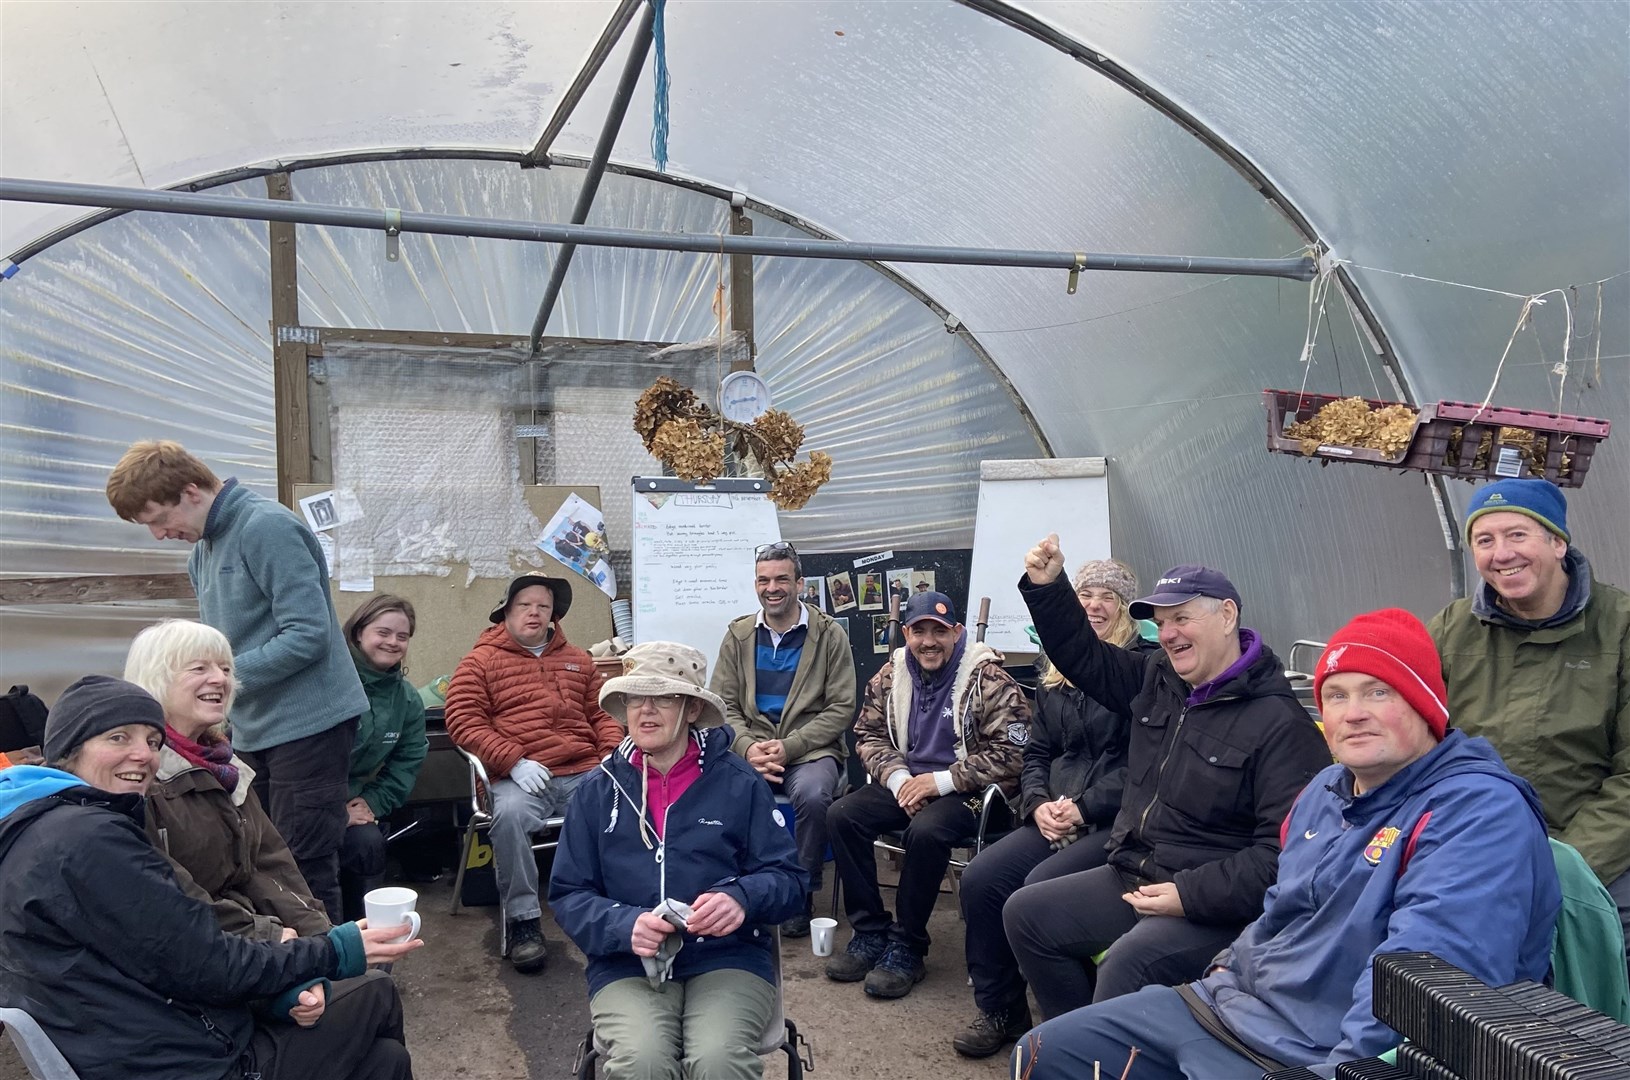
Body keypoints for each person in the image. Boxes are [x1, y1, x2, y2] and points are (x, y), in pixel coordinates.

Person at [1012, 609, 1562, 1079]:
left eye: (1379, 691)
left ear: (1426, 705)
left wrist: (1344, 1070)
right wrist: (1229, 966)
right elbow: (1283, 907)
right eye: (1337, 694)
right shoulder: (1327, 789)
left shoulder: (1476, 811)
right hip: (1240, 1008)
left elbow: (1424, 988)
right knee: (1045, 1053)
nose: (1354, 712)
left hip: (1321, 1051)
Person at [0, 675, 421, 1080]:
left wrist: (281, 989)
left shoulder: (34, 826)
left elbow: (169, 958)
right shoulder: (88, 838)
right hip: (187, 1063)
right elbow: (210, 964)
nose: (143, 755)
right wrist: (335, 949)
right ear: (69, 751)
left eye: (151, 741)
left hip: (124, 1042)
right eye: (118, 737)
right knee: (374, 994)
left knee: (383, 1062)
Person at [1008, 539, 1330, 1017]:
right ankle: (1073, 1046)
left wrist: (1189, 894)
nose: (1169, 634)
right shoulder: (1159, 680)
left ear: (1226, 615)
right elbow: (1083, 656)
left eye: (1181, 618)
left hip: (1212, 903)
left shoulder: (1281, 725)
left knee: (1126, 965)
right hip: (1138, 872)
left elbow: (1285, 859)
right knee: (1026, 914)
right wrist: (1048, 587)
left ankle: (1103, 1051)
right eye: (1160, 624)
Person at [106, 441, 367, 920]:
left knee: (304, 861)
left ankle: (343, 977)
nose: (160, 535)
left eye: (158, 520)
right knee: (257, 856)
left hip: (310, 725)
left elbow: (308, 636)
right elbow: (217, 648)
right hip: (253, 726)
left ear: (191, 491)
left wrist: (217, 683)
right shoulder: (202, 553)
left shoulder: (267, 527)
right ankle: (285, 969)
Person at [549, 642, 806, 1080]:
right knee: (641, 1064)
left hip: (729, 958)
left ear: (690, 709)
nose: (646, 711)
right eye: (634, 697)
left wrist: (742, 898)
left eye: (664, 697)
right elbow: (569, 893)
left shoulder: (740, 783)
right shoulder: (596, 791)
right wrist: (623, 925)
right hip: (626, 962)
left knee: (718, 1061)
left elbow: (791, 881)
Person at [953, 559, 1157, 1058]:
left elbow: (1143, 766)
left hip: (1112, 822)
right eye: (1086, 594)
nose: (1094, 605)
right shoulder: (1053, 672)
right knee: (980, 880)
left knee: (1037, 890)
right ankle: (1001, 1009)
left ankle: (1075, 1030)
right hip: (1054, 814)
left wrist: (1084, 807)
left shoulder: (1142, 670)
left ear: (1127, 607)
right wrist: (1038, 803)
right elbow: (1037, 753)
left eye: (1107, 596)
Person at [1428, 477, 1630, 976]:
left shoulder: (1620, 627)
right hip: (1472, 841)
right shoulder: (1452, 630)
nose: (1501, 554)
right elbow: (1411, 743)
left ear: (1557, 542)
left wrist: (1560, 862)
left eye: (1517, 535)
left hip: (1590, 849)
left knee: (1587, 962)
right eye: (1485, 540)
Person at [825, 590, 1031, 1000]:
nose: (929, 641)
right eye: (919, 631)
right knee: (842, 814)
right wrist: (900, 780)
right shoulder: (890, 675)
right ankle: (870, 933)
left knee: (927, 831)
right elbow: (867, 735)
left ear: (957, 633)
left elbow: (1014, 755)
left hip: (974, 795)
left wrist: (940, 783)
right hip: (909, 784)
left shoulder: (988, 679)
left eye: (939, 631)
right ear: (906, 633)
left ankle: (908, 946)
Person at [445, 574, 623, 973]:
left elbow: (603, 714)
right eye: (524, 604)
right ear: (505, 611)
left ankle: (621, 908)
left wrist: (611, 755)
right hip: (517, 777)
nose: (534, 612)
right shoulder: (480, 661)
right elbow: (462, 720)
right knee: (508, 817)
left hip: (583, 770)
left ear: (553, 615)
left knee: (628, 803)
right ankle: (524, 921)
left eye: (542, 606)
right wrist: (512, 761)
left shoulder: (579, 658)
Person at [123, 619, 331, 941]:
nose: (220, 678)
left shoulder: (229, 768)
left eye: (226, 669)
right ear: (156, 680)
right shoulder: (137, 777)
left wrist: (321, 936)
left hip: (243, 940)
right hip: (190, 949)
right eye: (199, 668)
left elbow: (269, 867)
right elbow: (170, 895)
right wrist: (272, 940)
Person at [709, 540, 857, 936]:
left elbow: (841, 708)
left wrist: (790, 746)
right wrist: (746, 748)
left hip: (811, 751)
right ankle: (738, 890)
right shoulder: (738, 636)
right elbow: (720, 706)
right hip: (752, 748)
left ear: (800, 583)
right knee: (722, 791)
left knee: (813, 795)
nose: (771, 587)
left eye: (781, 579)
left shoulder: (829, 635)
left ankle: (798, 891)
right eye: (763, 580)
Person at [340, 595, 431, 921]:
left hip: (354, 807)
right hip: (300, 804)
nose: (392, 642)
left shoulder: (406, 699)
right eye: (383, 632)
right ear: (359, 632)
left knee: (367, 843)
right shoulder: (328, 681)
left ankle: (366, 947)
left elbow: (407, 762)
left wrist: (371, 803)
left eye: (402, 636)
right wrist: (330, 811)